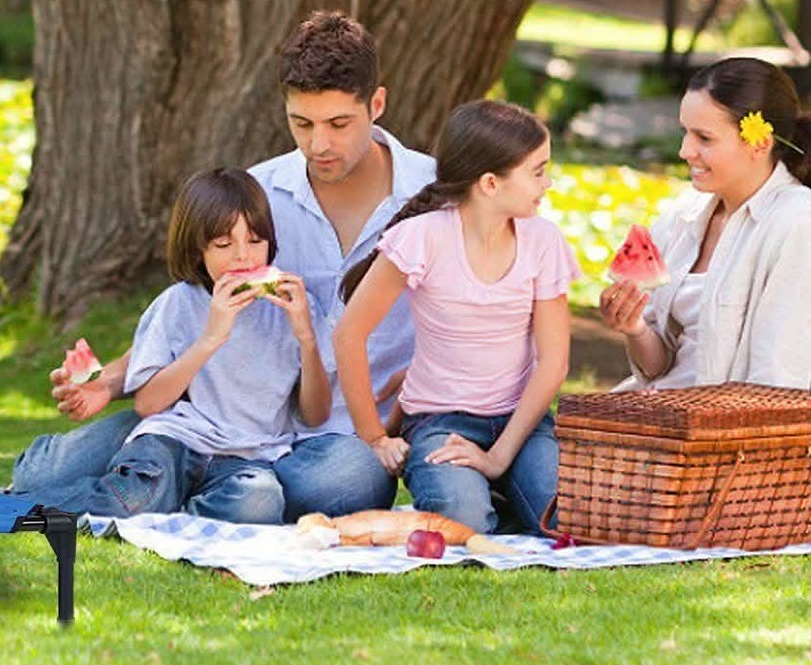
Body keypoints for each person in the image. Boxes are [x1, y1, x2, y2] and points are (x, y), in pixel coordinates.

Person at [11, 10, 437, 519]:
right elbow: (189, 310)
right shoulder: (256, 197)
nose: (318, 144)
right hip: (213, 412)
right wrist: (109, 380)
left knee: (352, 482)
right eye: (301, 123)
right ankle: (172, 472)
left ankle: (179, 484)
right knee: (40, 479)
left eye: (338, 124)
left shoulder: (435, 196)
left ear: (377, 105)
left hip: (331, 439)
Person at [13, 168, 332, 522]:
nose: (243, 256)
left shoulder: (296, 308)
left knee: (260, 503)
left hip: (249, 456)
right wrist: (211, 338)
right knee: (133, 498)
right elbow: (148, 404)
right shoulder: (178, 303)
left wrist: (306, 337)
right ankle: (21, 503)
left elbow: (315, 415)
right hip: (176, 440)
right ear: (198, 251)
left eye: (256, 241)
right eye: (224, 244)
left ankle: (176, 512)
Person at [333, 100, 579, 534]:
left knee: (568, 519)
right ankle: (481, 494)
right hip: (439, 421)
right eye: (538, 172)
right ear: (490, 183)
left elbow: (553, 362)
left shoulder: (543, 241)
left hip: (521, 421)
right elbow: (348, 335)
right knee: (464, 520)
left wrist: (499, 457)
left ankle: (497, 485)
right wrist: (375, 437)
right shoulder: (421, 237)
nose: (549, 182)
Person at [598, 57, 811, 388]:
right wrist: (635, 328)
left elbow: (776, 378)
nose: (685, 151)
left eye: (704, 138)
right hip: (659, 403)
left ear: (760, 143)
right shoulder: (683, 213)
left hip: (728, 418)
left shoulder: (797, 222)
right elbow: (658, 367)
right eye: (685, 132)